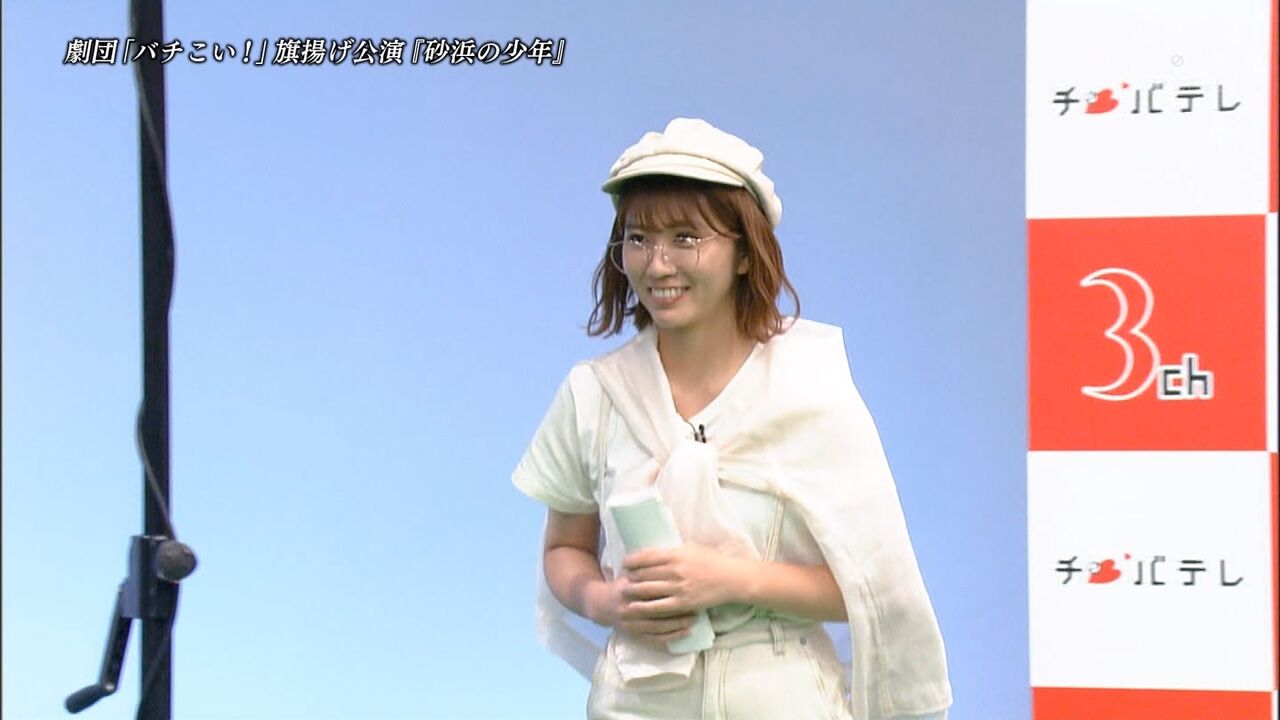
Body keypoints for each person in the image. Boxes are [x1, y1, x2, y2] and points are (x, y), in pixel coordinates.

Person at [513, 117, 952, 720]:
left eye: (686, 238)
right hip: (636, 699)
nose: (658, 264)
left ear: (745, 252)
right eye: (638, 238)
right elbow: (566, 547)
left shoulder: (806, 386)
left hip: (782, 695)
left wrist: (729, 579)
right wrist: (602, 599)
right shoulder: (596, 392)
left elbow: (872, 589)